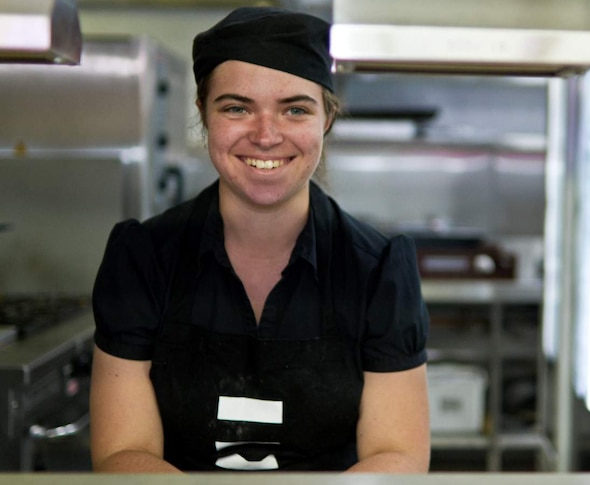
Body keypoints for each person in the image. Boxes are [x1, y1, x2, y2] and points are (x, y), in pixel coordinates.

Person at [88, 7, 430, 473]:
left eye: (294, 109)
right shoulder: (143, 259)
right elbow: (122, 453)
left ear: (326, 118)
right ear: (204, 116)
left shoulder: (377, 271)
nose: (266, 136)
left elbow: (398, 455)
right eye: (236, 108)